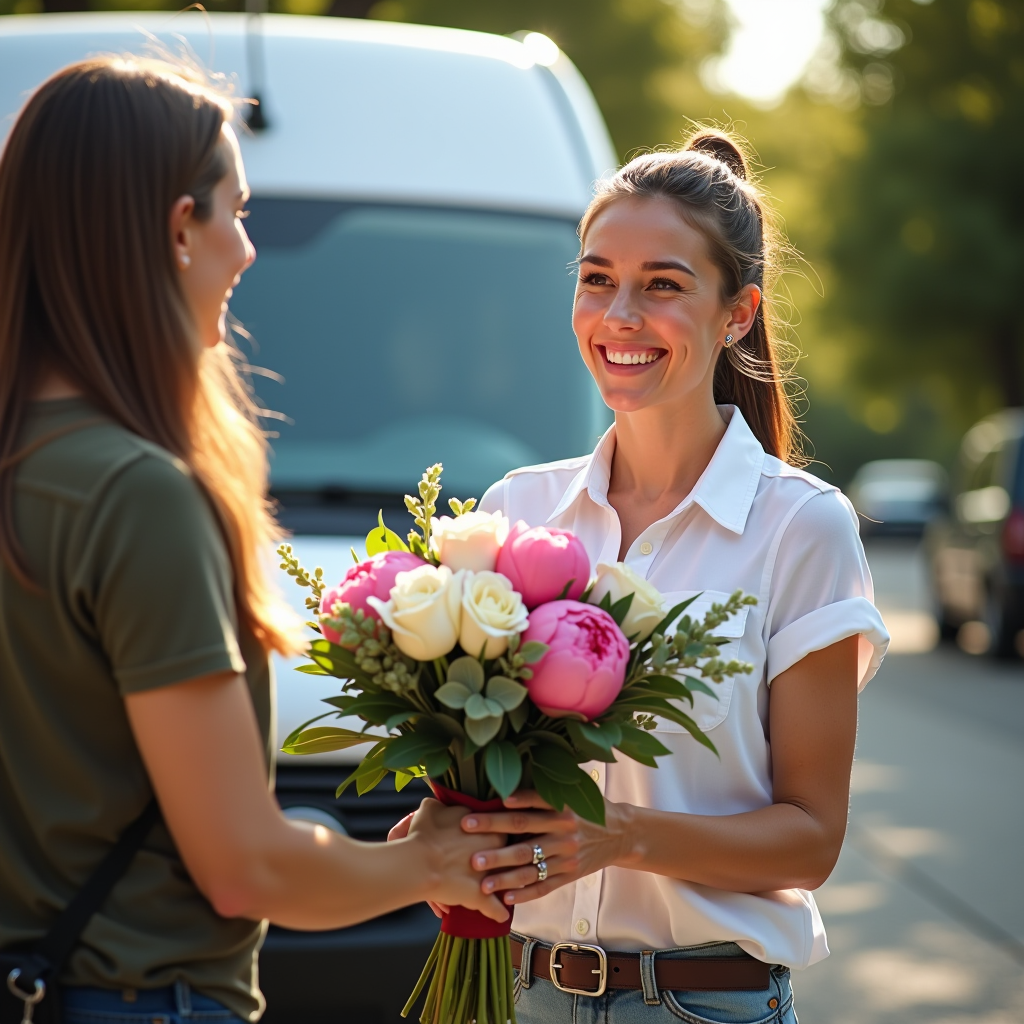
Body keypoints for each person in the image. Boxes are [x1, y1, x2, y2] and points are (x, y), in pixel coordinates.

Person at [0, 57, 508, 1024]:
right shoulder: (136, 494)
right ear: (174, 227)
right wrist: (432, 859)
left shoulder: (28, 464)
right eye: (235, 211)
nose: (246, 250)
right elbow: (241, 868)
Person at [458, 131, 890, 1023]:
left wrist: (619, 840)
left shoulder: (801, 526)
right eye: (596, 277)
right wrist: (446, 833)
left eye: (662, 284)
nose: (619, 314)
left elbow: (810, 840)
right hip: (521, 995)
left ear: (736, 314)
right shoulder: (515, 509)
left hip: (703, 1007)